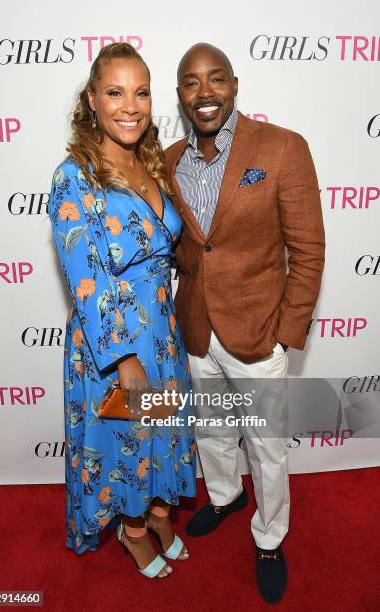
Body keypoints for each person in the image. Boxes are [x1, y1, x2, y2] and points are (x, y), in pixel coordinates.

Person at [165, 43, 325, 602]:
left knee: (267, 444)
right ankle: (225, 495)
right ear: (180, 94)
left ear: (235, 84)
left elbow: (307, 250)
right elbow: (187, 249)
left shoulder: (282, 148)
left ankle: (269, 536)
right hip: (197, 328)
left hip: (257, 333)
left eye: (215, 80)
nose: (203, 93)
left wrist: (285, 333)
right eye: (190, 82)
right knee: (211, 430)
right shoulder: (168, 159)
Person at [48, 42, 196, 579]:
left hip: (163, 333)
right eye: (115, 92)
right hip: (114, 341)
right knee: (129, 438)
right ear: (92, 99)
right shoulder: (75, 176)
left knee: (162, 432)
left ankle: (158, 514)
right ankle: (133, 532)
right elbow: (86, 278)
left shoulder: (150, 164)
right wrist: (124, 359)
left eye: (140, 92)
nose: (129, 106)